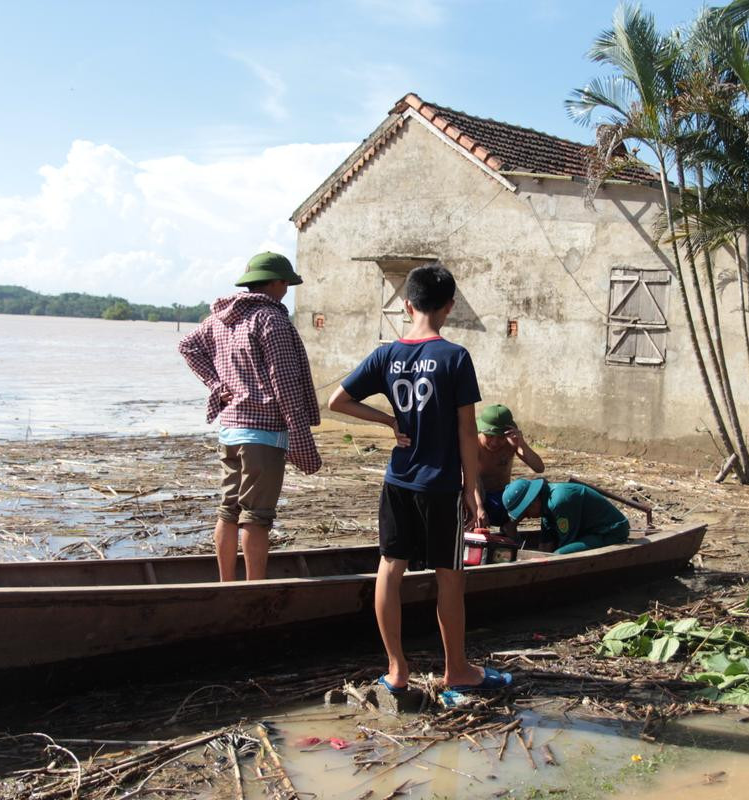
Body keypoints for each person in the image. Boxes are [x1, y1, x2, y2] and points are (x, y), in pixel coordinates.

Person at [327, 264, 511, 694]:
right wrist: (474, 489)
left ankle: (396, 670)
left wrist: (389, 419)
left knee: (390, 567)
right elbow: (468, 431)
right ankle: (458, 670)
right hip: (440, 485)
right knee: (450, 575)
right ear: (449, 307)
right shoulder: (455, 357)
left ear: (407, 305)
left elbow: (338, 400)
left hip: (399, 481)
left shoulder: (386, 354)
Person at [178, 252, 321, 582]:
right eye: (285, 283)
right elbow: (284, 383)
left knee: (229, 511)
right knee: (256, 517)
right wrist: (301, 435)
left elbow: (188, 346)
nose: (286, 290)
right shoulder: (270, 319)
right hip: (264, 434)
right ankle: (254, 587)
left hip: (230, 430)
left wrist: (217, 384)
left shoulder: (221, 319)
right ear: (273, 283)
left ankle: (227, 583)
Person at [502, 478, 630, 555]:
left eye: (526, 513)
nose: (528, 517)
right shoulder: (545, 504)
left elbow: (566, 543)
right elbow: (546, 541)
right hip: (587, 532)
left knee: (559, 555)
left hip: (609, 533)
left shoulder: (559, 501)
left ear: (533, 501)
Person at [476, 403, 545, 527]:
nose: (494, 443)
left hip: (502, 499)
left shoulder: (511, 444)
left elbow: (539, 468)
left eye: (500, 437)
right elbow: (470, 479)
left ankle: (509, 527)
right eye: (489, 436)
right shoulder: (473, 444)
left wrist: (521, 444)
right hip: (476, 499)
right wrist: (479, 507)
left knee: (541, 490)